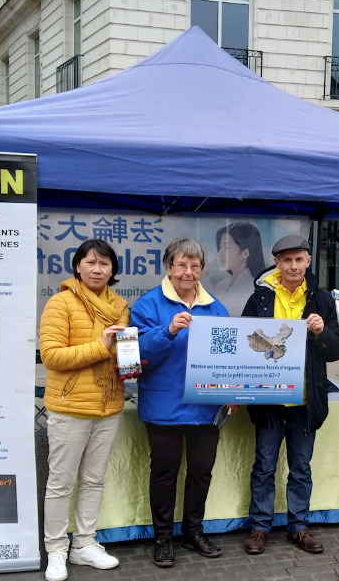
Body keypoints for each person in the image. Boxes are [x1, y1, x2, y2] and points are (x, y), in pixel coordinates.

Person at [242, 235, 339, 556]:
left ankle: (298, 527)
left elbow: (336, 350)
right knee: (264, 466)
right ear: (277, 263)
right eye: (286, 260)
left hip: (305, 399)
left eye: (299, 260)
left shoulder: (323, 301)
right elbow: (244, 346)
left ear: (308, 261)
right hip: (269, 399)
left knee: (301, 468)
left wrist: (320, 332)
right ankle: (260, 527)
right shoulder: (259, 299)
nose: (293, 266)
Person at [130, 238, 229, 567]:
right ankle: (162, 538)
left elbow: (229, 356)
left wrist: (232, 393)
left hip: (206, 406)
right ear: (169, 267)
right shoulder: (147, 305)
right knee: (164, 474)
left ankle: (194, 530)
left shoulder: (216, 307)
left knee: (201, 473)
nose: (189, 272)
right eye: (182, 265)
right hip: (164, 407)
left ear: (202, 269)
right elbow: (137, 355)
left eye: (195, 265)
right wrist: (167, 331)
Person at [39, 239, 130, 581]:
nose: (97, 269)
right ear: (77, 265)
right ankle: (56, 549)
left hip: (109, 405)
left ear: (113, 270)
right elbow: (51, 356)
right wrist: (100, 345)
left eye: (104, 264)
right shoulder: (60, 303)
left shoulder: (121, 307)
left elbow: (120, 355)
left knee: (93, 480)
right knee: (61, 483)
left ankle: (84, 544)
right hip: (70, 406)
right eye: (90, 262)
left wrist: (132, 361)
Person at [209, 222, 266, 315]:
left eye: (226, 247)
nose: (220, 253)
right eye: (220, 247)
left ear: (245, 253)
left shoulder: (256, 290)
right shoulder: (221, 285)